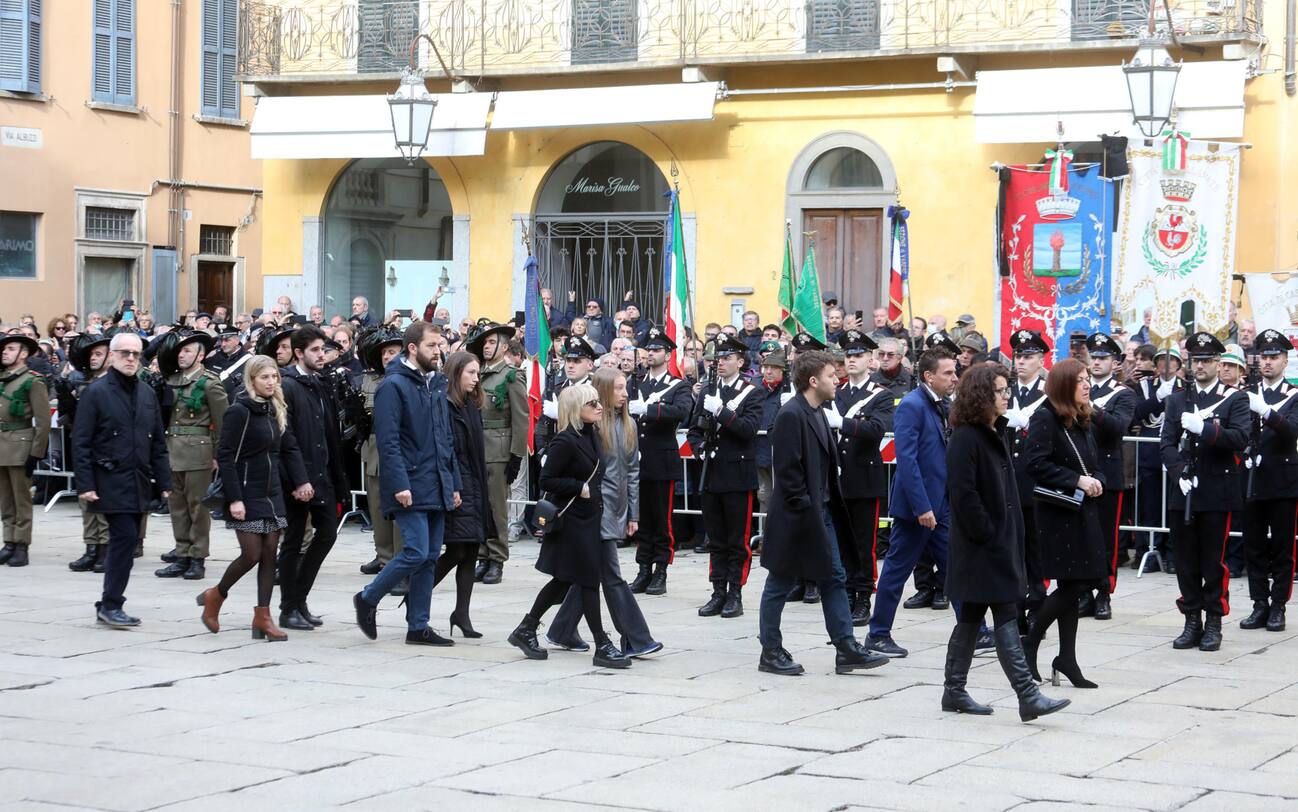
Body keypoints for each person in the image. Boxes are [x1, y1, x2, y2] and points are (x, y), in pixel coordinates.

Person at [943, 363, 1070, 721]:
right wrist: (988, 532)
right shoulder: (967, 437)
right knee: (1004, 613)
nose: (1006, 396)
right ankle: (1027, 695)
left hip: (995, 542)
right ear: (982, 395)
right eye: (999, 391)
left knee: (970, 616)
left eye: (1005, 389)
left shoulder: (993, 431)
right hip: (981, 546)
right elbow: (964, 494)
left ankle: (954, 690)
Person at [756, 349, 890, 676]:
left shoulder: (816, 411)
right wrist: (807, 513)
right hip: (797, 518)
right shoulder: (792, 414)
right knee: (780, 581)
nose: (837, 379)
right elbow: (788, 476)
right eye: (832, 375)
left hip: (822, 512)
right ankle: (770, 650)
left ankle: (846, 647)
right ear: (813, 381)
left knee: (835, 578)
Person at [506, 384, 631, 669]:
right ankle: (601, 644)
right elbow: (547, 480)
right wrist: (578, 486)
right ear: (577, 409)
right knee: (587, 581)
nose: (600, 407)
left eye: (599, 402)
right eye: (592, 404)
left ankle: (526, 628)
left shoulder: (592, 434)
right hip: (572, 521)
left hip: (588, 518)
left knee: (564, 581)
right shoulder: (565, 440)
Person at [353, 321, 462, 646]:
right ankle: (368, 598)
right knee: (414, 551)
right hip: (409, 482)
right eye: (432, 346)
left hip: (436, 481)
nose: (438, 351)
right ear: (413, 349)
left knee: (429, 555)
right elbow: (388, 442)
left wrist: (453, 482)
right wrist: (399, 483)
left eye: (440, 345)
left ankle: (418, 626)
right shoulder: (393, 385)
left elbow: (445, 437)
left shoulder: (435, 383)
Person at [547, 367, 662, 657]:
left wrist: (633, 514)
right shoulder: (593, 426)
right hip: (593, 509)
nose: (625, 394)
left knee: (589, 573)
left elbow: (632, 472)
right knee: (611, 574)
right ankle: (636, 637)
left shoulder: (630, 424)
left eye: (626, 388)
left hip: (616, 508)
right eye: (619, 389)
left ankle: (561, 630)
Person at [198, 355, 312, 639]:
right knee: (251, 555)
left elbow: (288, 447)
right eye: (265, 377)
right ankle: (216, 595)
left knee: (269, 556)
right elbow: (225, 456)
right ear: (252, 380)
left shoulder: (275, 407)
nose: (271, 382)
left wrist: (301, 481)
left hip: (272, 493)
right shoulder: (240, 411)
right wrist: (235, 499)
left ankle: (263, 616)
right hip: (246, 493)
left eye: (274, 377)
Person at [865, 347, 959, 658]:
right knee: (896, 570)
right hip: (918, 508)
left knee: (955, 567)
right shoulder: (912, 404)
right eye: (948, 373)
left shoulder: (941, 405)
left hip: (940, 502)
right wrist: (922, 507)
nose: (954, 377)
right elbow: (907, 459)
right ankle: (878, 634)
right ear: (929, 376)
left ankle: (976, 629)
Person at [73, 332, 171, 628]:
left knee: (128, 541)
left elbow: (157, 441)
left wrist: (164, 482)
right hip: (109, 478)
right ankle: (111, 603)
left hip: (138, 478)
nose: (130, 358)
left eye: (135, 354)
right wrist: (86, 484)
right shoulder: (97, 392)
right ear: (112, 356)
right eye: (125, 353)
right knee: (125, 537)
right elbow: (81, 441)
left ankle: (109, 603)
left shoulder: (146, 393)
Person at [1021, 358, 1107, 688]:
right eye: (1080, 380)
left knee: (1076, 584)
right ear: (1064, 385)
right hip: (1058, 513)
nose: (1087, 385)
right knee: (1072, 584)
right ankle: (1031, 640)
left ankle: (1066, 658)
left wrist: (1095, 479)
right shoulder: (1046, 416)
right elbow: (1035, 462)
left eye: (1087, 379)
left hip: (1080, 510)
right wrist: (1077, 480)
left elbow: (1092, 463)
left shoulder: (1080, 417)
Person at [1161, 332, 1249, 652]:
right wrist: (1177, 473)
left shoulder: (1234, 398)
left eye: (1206, 360)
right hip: (1183, 490)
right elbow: (1167, 444)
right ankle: (1191, 620)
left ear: (1218, 363)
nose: (1199, 366)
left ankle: (1213, 621)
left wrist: (1207, 429)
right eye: (1195, 360)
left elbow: (1240, 438)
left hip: (1216, 489)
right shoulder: (1177, 399)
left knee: (1213, 561)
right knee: (1185, 561)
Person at [278, 325, 350, 631]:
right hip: (298, 479)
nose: (323, 355)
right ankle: (287, 608)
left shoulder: (322, 382)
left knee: (328, 534)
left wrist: (339, 480)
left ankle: (300, 598)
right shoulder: (288, 385)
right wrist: (299, 480)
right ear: (299, 353)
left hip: (322, 475)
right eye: (316, 350)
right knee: (293, 541)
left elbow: (329, 434)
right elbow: (287, 438)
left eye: (324, 349)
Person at [688, 333, 763, 619]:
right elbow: (695, 431)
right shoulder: (708, 390)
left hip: (737, 474)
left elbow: (747, 429)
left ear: (740, 362)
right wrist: (699, 450)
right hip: (711, 473)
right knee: (715, 538)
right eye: (718, 357)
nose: (720, 362)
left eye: (727, 357)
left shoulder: (751, 392)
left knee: (736, 539)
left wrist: (720, 412)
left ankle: (735, 593)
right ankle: (717, 590)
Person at [154, 331, 229, 581]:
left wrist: (219, 455)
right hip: (172, 450)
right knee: (177, 507)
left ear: (201, 355)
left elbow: (222, 423)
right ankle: (182, 553)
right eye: (180, 351)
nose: (182, 355)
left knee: (198, 508)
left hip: (199, 451)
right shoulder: (172, 380)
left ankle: (198, 558)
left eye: (187, 351)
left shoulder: (209, 382)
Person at [627, 326, 695, 595]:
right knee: (642, 518)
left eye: (657, 350)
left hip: (662, 460)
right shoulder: (638, 383)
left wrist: (649, 409)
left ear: (668, 354)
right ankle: (643, 568)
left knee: (661, 520)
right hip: (639, 460)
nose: (651, 353)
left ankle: (660, 571)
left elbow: (681, 411)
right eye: (649, 349)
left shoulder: (679, 385)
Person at [1240, 329, 1298, 631]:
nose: (1268, 362)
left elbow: (1291, 432)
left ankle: (1278, 606)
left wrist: (1266, 412)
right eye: (1264, 356)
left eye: (1274, 357)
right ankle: (1259, 603)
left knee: (1282, 548)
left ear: (1286, 361)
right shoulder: (1247, 391)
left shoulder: (1294, 395)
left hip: (1283, 480)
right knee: (1254, 547)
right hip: (1252, 479)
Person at [835, 330, 894, 625]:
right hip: (838, 478)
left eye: (858, 355)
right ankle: (846, 591)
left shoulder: (880, 395)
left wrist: (843, 423)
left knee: (863, 543)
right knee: (842, 540)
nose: (852, 360)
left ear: (871, 359)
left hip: (864, 477)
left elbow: (876, 430)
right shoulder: (836, 392)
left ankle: (863, 596)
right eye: (848, 355)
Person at [466, 323, 529, 586]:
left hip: (498, 449)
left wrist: (515, 456)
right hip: (477, 447)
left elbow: (521, 418)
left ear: (504, 347)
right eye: (484, 343)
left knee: (496, 508)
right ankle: (482, 556)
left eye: (492, 342)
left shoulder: (511, 376)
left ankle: (497, 559)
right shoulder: (476, 374)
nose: (487, 346)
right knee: (480, 506)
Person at [1080, 333, 1136, 621]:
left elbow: (1118, 428)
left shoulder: (1123, 393)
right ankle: (1082, 593)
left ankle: (1103, 592)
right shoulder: (1080, 389)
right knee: (1080, 536)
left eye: (1103, 357)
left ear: (1115, 362)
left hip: (1108, 474)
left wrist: (1092, 410)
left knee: (1105, 538)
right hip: (1079, 472)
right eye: (1094, 356)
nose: (1098, 361)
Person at [435, 351, 491, 638]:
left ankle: (462, 614)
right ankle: (415, 593)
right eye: (471, 372)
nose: (476, 378)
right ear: (456, 373)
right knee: (457, 549)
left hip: (474, 484)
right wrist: (454, 486)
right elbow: (446, 451)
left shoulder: (471, 405)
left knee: (470, 551)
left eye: (478, 373)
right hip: (458, 486)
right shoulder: (445, 405)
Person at [1003, 329, 1051, 627]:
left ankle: (1037, 606)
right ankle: (1015, 606)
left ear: (1041, 359)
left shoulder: (1049, 392)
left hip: (1037, 482)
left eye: (1028, 356)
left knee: (1036, 548)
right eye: (1018, 356)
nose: (1021, 362)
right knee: (1012, 548)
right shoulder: (1004, 390)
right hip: (1008, 481)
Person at [355, 327, 406, 579]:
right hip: (374, 447)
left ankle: (399, 558)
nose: (388, 356)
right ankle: (384, 555)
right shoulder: (369, 381)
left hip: (399, 446)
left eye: (393, 351)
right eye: (385, 352)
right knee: (377, 505)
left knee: (398, 506)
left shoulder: (409, 379)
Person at [61, 333, 113, 572]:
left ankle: (105, 548)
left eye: (99, 354)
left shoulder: (115, 383)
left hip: (105, 449)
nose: (93, 358)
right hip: (85, 448)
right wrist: (64, 391)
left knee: (102, 500)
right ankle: (91, 546)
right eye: (91, 354)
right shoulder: (84, 383)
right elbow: (73, 416)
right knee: (86, 500)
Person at [0, 334, 50, 567]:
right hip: (2, 447)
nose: (5, 352)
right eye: (5, 349)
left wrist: (36, 453)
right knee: (5, 499)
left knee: (21, 500)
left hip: (21, 446)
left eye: (10, 349)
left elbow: (43, 421)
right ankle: (8, 541)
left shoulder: (33, 381)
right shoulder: (2, 378)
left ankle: (21, 546)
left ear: (23, 354)